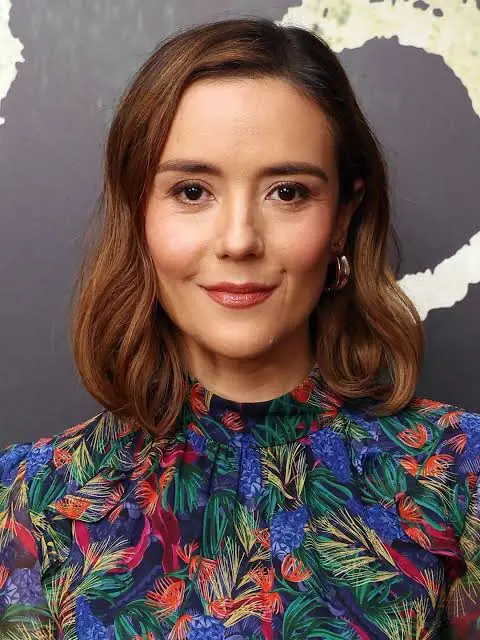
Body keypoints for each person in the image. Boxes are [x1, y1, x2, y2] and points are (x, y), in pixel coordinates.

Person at [0, 16, 478, 639]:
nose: (239, 240)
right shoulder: (32, 500)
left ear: (342, 217)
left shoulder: (459, 476)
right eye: (192, 191)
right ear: (139, 212)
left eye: (288, 192)